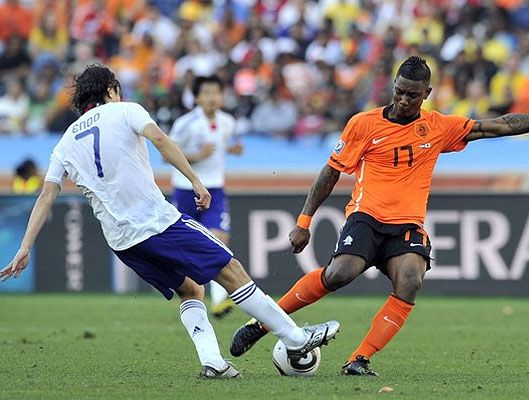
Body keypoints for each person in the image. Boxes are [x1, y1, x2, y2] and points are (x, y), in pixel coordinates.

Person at [229, 56, 529, 376]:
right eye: (400, 92)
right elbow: (330, 172)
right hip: (366, 215)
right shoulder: (363, 124)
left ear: (427, 94)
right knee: (340, 273)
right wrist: (304, 222)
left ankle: (359, 359)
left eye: (413, 95)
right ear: (393, 86)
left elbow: (499, 124)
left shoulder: (438, 127)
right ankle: (263, 323)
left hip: (407, 224)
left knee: (410, 281)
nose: (404, 100)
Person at [0, 64, 339, 379]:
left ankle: (212, 361)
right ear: (112, 89)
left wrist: (25, 247)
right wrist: (195, 180)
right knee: (230, 270)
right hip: (156, 222)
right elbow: (161, 141)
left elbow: (46, 196)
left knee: (190, 288)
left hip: (122, 242)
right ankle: (296, 338)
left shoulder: (64, 142)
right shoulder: (127, 110)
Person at [170, 74, 243, 318]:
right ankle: (187, 293)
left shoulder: (228, 122)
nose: (213, 98)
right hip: (186, 190)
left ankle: (220, 301)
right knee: (184, 247)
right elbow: (167, 154)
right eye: (207, 93)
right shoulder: (185, 124)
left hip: (215, 189)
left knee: (218, 240)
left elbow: (221, 146)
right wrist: (197, 156)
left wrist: (232, 149)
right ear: (197, 98)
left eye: (216, 93)